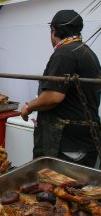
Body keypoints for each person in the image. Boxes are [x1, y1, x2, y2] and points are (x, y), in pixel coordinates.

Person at [21, 10, 101, 168]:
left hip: (68, 144)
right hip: (82, 140)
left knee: (59, 189)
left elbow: (53, 96)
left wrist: (28, 107)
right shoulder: (86, 51)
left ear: (53, 31)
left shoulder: (64, 54)